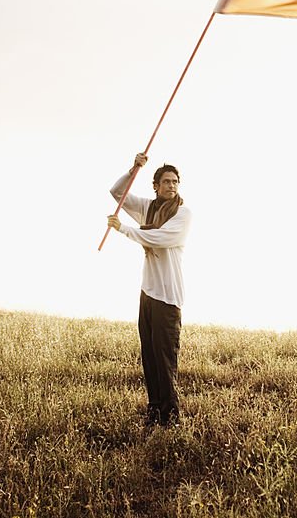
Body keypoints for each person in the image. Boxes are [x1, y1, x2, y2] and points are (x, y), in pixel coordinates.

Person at [107, 152, 191, 427]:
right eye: (166, 181)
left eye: (175, 181)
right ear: (155, 186)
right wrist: (135, 168)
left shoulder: (182, 214)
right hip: (148, 294)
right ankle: (154, 413)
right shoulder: (149, 208)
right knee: (150, 358)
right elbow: (117, 191)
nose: (171, 186)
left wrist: (124, 230)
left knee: (165, 361)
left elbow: (159, 238)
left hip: (168, 297)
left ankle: (172, 420)